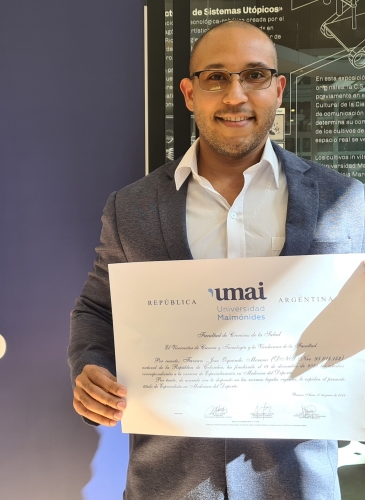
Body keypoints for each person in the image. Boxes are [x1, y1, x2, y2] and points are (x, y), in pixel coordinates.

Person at [68, 20, 365, 500]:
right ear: (189, 94)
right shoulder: (131, 207)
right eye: (216, 77)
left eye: (255, 75)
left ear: (278, 89)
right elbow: (97, 310)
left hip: (296, 486)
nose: (235, 95)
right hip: (169, 486)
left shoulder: (347, 202)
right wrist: (90, 366)